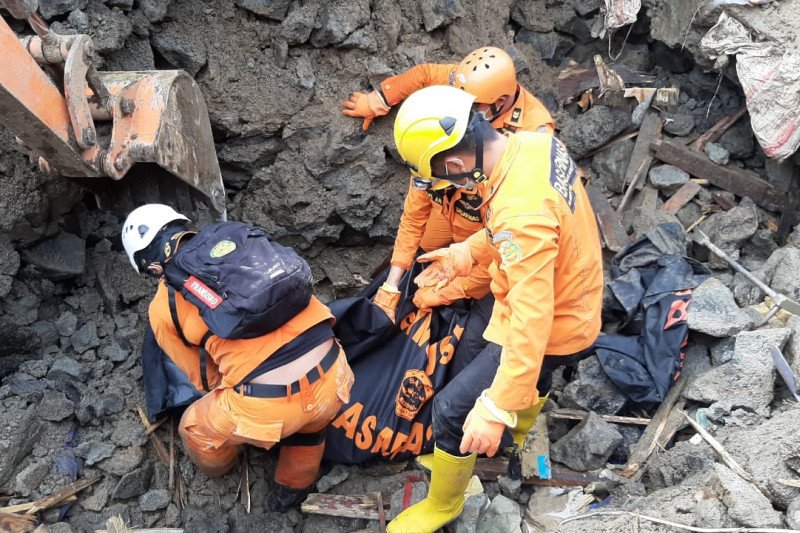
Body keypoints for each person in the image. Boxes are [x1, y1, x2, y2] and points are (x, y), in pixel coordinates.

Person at [386, 86, 604, 533]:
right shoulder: (535, 144)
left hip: (554, 323)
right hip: (577, 300)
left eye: (444, 178)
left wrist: (495, 407)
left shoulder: (518, 214)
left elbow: (531, 320)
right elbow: (536, 226)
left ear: (455, 163)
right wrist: (466, 252)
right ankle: (517, 434)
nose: (451, 186)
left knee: (451, 409)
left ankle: (444, 504)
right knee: (512, 370)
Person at [121, 204, 354, 511]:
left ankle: (224, 471)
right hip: (336, 375)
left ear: (151, 268)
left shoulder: (163, 307)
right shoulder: (240, 242)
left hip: (270, 409)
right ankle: (293, 490)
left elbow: (204, 379)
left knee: (194, 429)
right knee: (311, 428)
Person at [342, 46, 555, 323]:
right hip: (448, 204)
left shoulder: (531, 139)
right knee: (426, 250)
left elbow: (505, 240)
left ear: (500, 101)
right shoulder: (461, 90)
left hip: (484, 218)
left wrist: (453, 290)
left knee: (476, 281)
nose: (461, 110)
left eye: (472, 108)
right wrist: (393, 282)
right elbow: (415, 209)